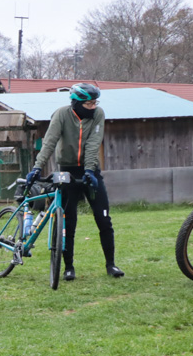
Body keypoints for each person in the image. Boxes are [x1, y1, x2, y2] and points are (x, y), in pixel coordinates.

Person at [24, 82, 123, 280]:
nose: (93, 107)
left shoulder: (98, 114)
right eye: (89, 104)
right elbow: (50, 141)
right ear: (76, 103)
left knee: (103, 218)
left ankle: (111, 264)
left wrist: (89, 171)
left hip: (90, 170)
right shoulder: (62, 114)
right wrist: (37, 167)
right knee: (69, 220)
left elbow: (94, 144)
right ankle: (68, 267)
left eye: (95, 102)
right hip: (67, 170)